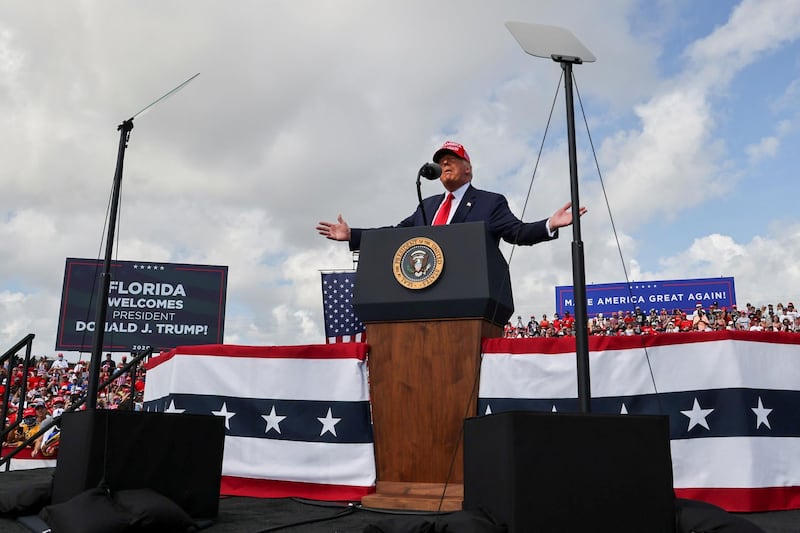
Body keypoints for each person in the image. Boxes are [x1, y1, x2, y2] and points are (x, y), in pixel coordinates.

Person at [316, 141, 586, 251]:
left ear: (468, 170)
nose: (445, 164)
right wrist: (353, 235)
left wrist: (550, 224)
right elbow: (395, 234)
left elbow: (517, 232)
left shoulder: (490, 202)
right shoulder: (429, 205)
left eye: (452, 160)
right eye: (441, 160)